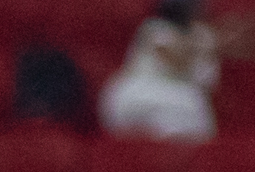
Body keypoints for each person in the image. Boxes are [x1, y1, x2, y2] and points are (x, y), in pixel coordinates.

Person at [100, 0, 250, 142]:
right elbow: (175, 61)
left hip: (181, 101)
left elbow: (206, 86)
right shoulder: (155, 28)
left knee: (195, 107)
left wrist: (217, 45)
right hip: (140, 95)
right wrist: (212, 45)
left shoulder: (205, 36)